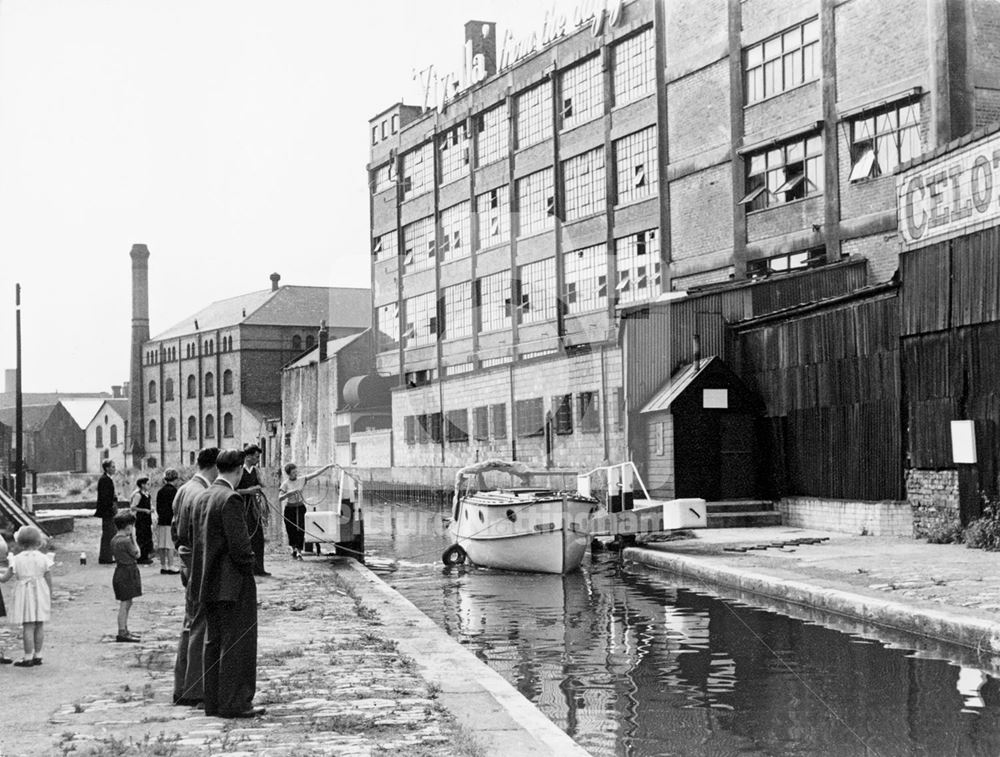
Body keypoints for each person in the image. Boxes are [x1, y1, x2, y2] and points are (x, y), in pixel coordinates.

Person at [189, 448, 263, 718]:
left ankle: (214, 702)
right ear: (240, 469)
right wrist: (250, 566)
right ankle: (235, 703)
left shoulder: (204, 496)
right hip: (232, 584)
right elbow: (241, 548)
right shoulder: (230, 498)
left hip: (206, 583)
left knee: (213, 642)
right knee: (236, 644)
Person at [171, 446, 219, 706]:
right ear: (213, 467)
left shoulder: (183, 489)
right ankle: (194, 688)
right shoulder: (201, 493)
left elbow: (175, 531)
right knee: (200, 625)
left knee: (190, 623)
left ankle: (182, 685)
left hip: (185, 558)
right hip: (196, 561)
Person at [0, 525, 54, 666]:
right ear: (38, 541)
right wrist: (49, 593)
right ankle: (38, 654)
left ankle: (28, 656)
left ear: (20, 542)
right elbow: (48, 577)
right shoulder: (43, 558)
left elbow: (5, 578)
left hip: (24, 593)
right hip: (40, 591)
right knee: (39, 624)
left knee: (28, 626)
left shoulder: (16, 559)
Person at [278, 462, 334, 559]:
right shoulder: (285, 484)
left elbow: (315, 473)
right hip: (290, 508)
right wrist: (289, 493)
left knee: (301, 529)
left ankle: (299, 550)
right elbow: (280, 498)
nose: (296, 474)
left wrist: (327, 466)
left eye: (296, 472)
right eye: (293, 473)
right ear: (289, 474)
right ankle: (293, 548)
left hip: (300, 507)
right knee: (290, 529)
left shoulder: (301, 479)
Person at [236, 445, 268, 576]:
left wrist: (258, 486)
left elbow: (263, 485)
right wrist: (248, 491)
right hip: (241, 507)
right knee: (245, 537)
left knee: (258, 537)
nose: (258, 459)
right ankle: (245, 569)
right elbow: (232, 490)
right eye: (256, 456)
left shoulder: (255, 470)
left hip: (254, 508)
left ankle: (259, 568)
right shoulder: (238, 471)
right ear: (248, 456)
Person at [111, 510, 141, 642]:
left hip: (120, 571)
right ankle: (122, 631)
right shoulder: (126, 541)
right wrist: (134, 539)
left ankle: (124, 629)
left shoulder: (115, 539)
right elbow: (137, 554)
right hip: (128, 572)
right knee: (125, 603)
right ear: (128, 526)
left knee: (127, 601)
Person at [155, 469, 180, 575]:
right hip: (171, 520)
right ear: (175, 479)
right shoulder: (175, 491)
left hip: (162, 519)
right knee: (170, 544)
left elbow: (158, 507)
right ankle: (171, 565)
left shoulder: (160, 491)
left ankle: (163, 565)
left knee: (162, 544)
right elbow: (176, 507)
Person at [94, 460, 119, 564]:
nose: (114, 469)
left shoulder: (106, 479)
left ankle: (107, 556)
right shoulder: (105, 480)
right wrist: (112, 504)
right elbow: (105, 497)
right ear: (107, 468)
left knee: (109, 533)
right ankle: (106, 557)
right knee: (109, 533)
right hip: (108, 511)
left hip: (108, 510)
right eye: (112, 467)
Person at [130, 477, 155, 565]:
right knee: (141, 536)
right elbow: (133, 507)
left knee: (147, 536)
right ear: (142, 485)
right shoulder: (138, 495)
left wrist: (151, 508)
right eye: (147, 484)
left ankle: (146, 555)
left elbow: (150, 504)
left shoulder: (147, 494)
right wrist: (144, 510)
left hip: (147, 518)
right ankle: (141, 557)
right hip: (140, 519)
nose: (149, 486)